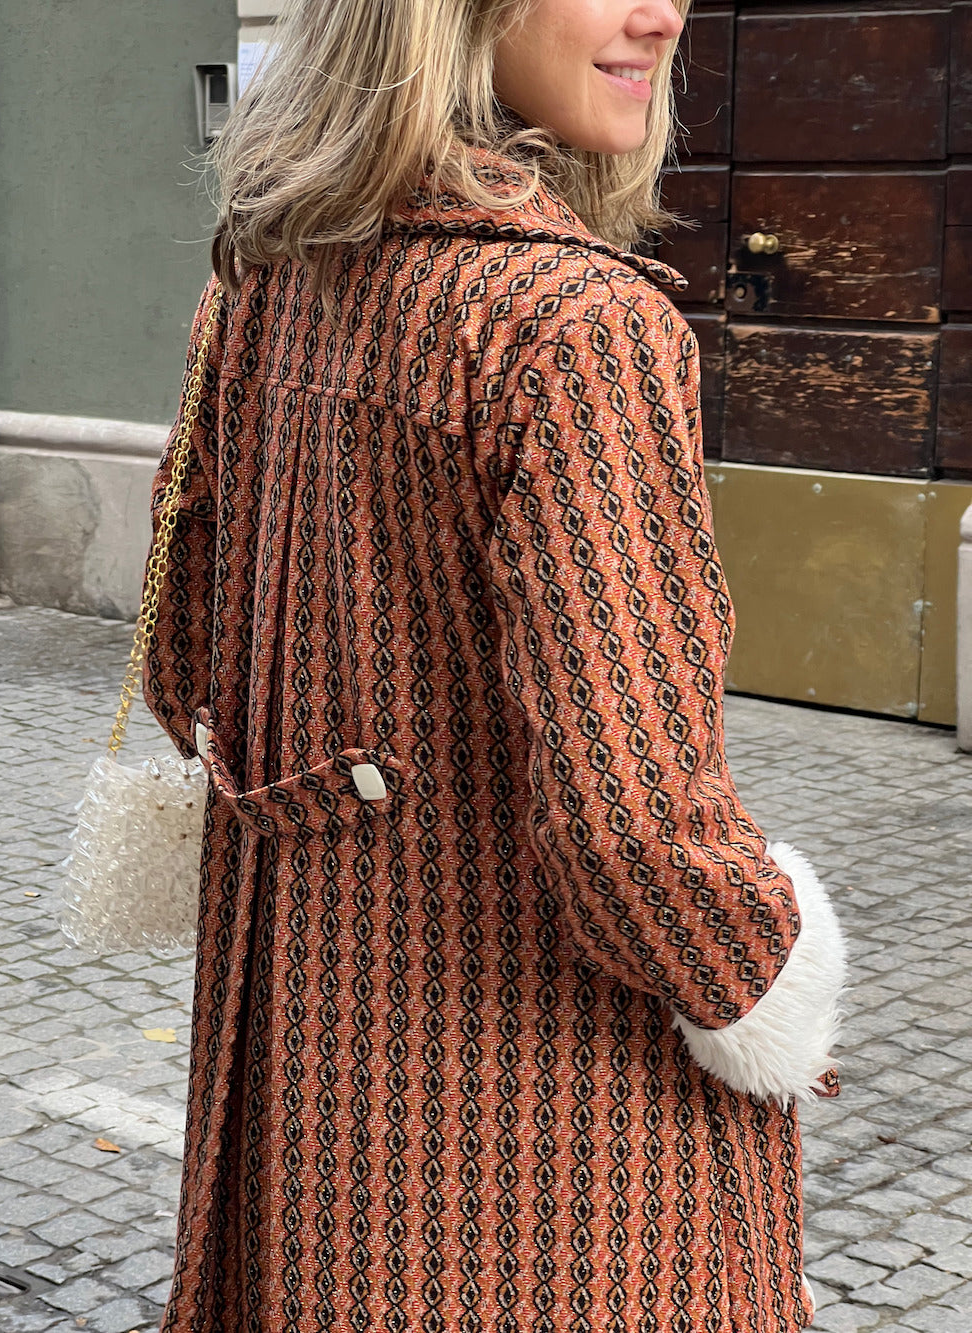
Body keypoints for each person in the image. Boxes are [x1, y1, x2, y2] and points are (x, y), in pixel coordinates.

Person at [142, 0, 848, 1328]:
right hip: (568, 1170)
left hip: (315, 1130)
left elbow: (189, 672)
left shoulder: (266, 282)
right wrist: (767, 977)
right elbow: (631, 830)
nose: (663, 12)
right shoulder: (573, 329)